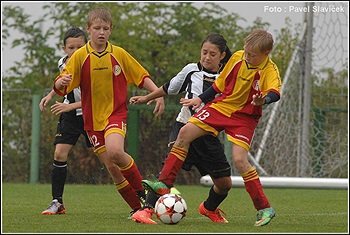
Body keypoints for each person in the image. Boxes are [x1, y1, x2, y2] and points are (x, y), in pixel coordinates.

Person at [131, 28, 281, 227]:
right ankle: (162, 187)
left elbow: (275, 92)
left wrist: (264, 100)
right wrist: (199, 100)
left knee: (238, 162)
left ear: (266, 54)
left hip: (244, 118)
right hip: (221, 107)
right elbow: (218, 86)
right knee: (184, 133)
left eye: (252, 55)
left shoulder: (269, 70)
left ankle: (263, 208)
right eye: (245, 52)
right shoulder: (235, 58)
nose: (246, 57)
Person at [52, 8, 165, 217]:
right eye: (97, 28)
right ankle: (137, 209)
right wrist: (60, 82)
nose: (101, 32)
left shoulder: (119, 54)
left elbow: (141, 76)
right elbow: (61, 87)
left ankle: (144, 195)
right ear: (89, 29)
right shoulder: (79, 57)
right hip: (92, 121)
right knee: (113, 169)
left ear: (111, 30)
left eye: (105, 28)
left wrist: (158, 94)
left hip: (115, 114)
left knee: (115, 152)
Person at [129, 33, 233, 224]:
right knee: (166, 174)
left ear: (222, 56)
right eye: (204, 52)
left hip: (208, 136)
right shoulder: (191, 70)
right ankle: (145, 211)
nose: (207, 57)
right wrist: (146, 98)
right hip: (184, 127)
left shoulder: (227, 78)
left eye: (212, 54)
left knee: (225, 184)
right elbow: (169, 87)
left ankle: (209, 208)